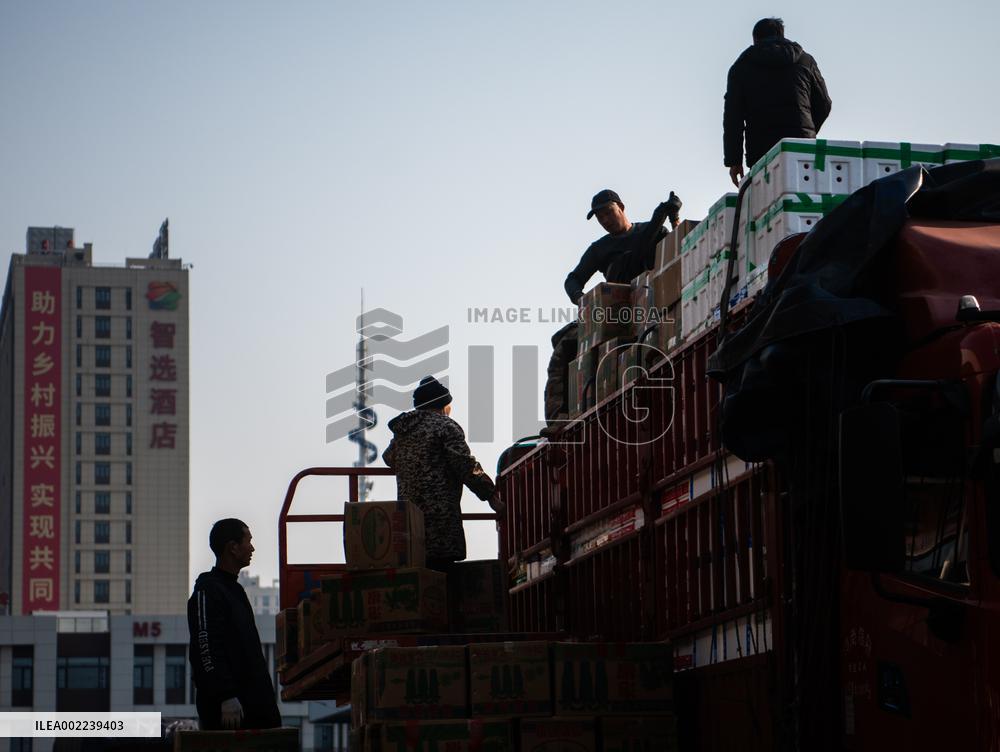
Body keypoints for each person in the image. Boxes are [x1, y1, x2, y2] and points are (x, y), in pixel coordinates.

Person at [543, 189, 681, 429]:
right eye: (600, 218)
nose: (605, 220)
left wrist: (672, 217)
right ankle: (560, 420)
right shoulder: (600, 248)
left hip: (652, 303)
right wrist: (584, 301)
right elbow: (572, 279)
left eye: (608, 213)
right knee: (563, 342)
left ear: (622, 207)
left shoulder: (651, 231)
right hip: (613, 314)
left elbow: (676, 247)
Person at [383, 376, 504, 571]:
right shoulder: (445, 427)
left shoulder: (403, 431)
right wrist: (490, 495)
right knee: (441, 580)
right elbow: (465, 465)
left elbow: (389, 458)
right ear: (442, 405)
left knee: (417, 577)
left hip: (409, 523)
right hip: (440, 524)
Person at [187, 519, 281, 731]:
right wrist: (225, 696)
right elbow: (205, 647)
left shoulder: (234, 591)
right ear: (233, 547)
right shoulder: (208, 590)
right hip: (230, 716)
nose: (252, 548)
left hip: (254, 711)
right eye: (248, 540)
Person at [724, 17, 832, 186]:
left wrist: (734, 160)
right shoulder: (805, 61)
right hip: (802, 145)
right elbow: (824, 104)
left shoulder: (741, 67)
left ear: (755, 39)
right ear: (782, 35)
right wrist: (807, 130)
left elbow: (733, 118)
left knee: (768, 203)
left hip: (761, 150)